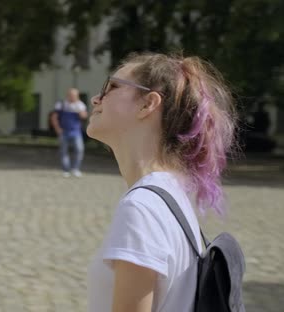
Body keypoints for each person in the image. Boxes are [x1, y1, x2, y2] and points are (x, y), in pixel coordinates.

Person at [86, 52, 237, 312]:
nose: (95, 98)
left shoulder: (141, 207)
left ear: (148, 105)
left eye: (111, 87)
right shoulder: (170, 194)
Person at [50, 88, 88, 177]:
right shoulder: (61, 104)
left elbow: (84, 117)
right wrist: (57, 129)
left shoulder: (80, 105)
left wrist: (79, 109)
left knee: (79, 150)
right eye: (70, 95)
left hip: (76, 132)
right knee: (63, 151)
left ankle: (75, 169)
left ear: (77, 96)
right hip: (63, 131)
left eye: (74, 95)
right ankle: (65, 170)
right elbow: (54, 117)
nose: (72, 97)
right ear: (67, 95)